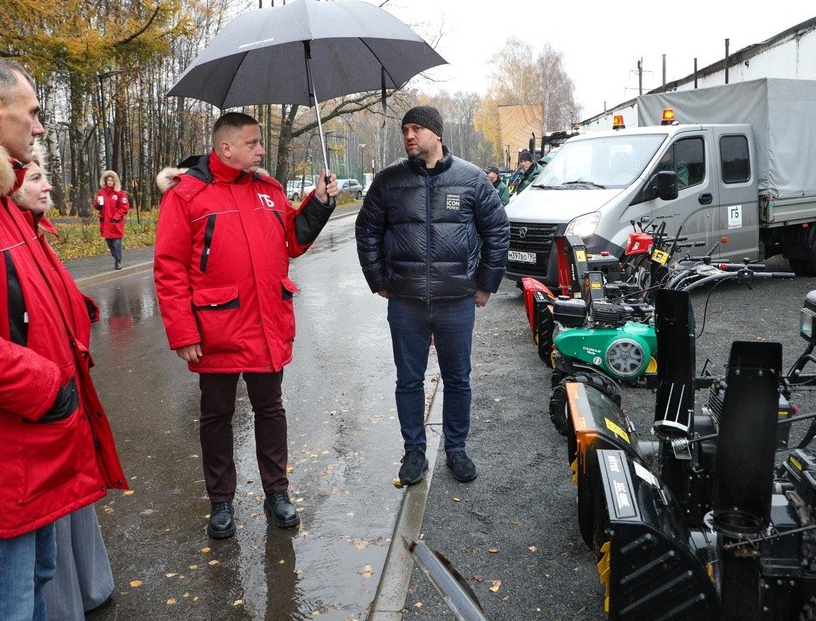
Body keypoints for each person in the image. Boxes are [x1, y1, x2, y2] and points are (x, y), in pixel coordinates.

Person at [0, 55, 126, 620]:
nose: (41, 125)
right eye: (33, 111)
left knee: (34, 586)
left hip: (34, 449)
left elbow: (24, 296)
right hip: (2, 459)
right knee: (6, 603)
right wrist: (50, 387)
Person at [154, 111, 338, 539]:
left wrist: (321, 202)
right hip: (217, 329)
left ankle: (277, 492)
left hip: (266, 323)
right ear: (226, 148)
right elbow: (168, 268)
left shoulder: (268, 190)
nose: (260, 150)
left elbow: (292, 240)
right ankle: (221, 501)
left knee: (270, 410)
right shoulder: (187, 196)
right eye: (253, 143)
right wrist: (183, 331)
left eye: (259, 143)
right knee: (216, 415)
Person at [355, 105, 510, 486]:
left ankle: (456, 450)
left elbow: (497, 232)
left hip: (456, 300)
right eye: (405, 129)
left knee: (458, 378)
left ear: (437, 134)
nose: (409, 136)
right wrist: (378, 280)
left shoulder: (472, 180)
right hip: (406, 301)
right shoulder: (388, 182)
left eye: (417, 129)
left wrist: (486, 284)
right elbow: (367, 232)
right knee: (408, 380)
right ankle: (414, 451)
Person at [13, 146, 117, 619]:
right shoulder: (14, 237)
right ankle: (66, 604)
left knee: (76, 496)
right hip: (40, 396)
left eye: (43, 176)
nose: (46, 185)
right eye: (34, 178)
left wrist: (78, 308)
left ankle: (90, 589)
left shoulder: (37, 235)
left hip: (63, 388)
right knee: (55, 506)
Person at [93, 170, 129, 270]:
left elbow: (124, 207)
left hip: (115, 222)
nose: (109, 182)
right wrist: (98, 204)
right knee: (109, 241)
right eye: (108, 180)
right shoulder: (101, 192)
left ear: (115, 182)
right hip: (105, 222)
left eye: (111, 180)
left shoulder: (119, 193)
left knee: (117, 241)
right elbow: (96, 205)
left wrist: (116, 217)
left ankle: (118, 261)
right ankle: (115, 256)